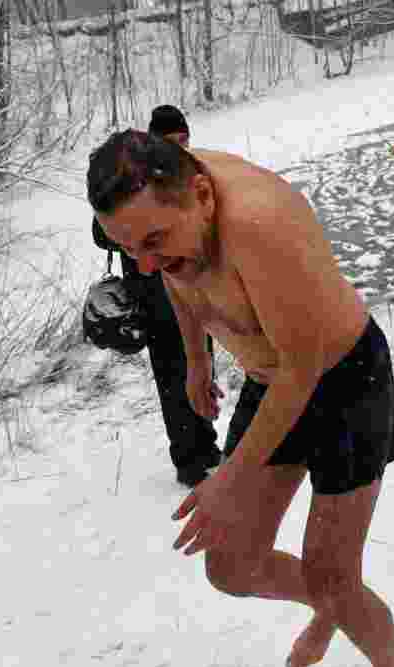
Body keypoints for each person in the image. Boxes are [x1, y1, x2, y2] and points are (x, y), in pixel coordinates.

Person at [86, 129, 394, 667]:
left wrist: (228, 479)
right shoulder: (168, 210)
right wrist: (196, 360)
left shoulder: (261, 225)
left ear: (203, 194)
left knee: (332, 570)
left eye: (153, 242)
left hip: (343, 377)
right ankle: (330, 602)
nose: (145, 264)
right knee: (232, 566)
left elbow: (306, 367)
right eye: (130, 250)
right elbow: (172, 273)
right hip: (275, 375)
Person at [91, 105, 221, 487]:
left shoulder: (189, 173)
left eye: (183, 140)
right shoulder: (129, 178)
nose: (178, 147)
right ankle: (187, 459)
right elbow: (102, 233)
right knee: (171, 379)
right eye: (170, 141)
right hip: (154, 297)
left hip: (193, 290)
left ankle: (208, 444)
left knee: (201, 367)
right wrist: (140, 235)